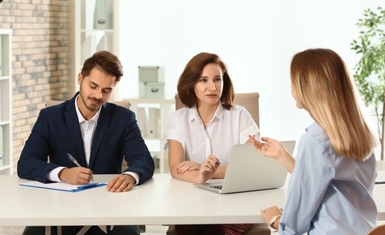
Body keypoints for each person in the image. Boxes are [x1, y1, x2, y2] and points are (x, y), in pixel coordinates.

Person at [17, 50, 155, 235]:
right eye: (93, 86)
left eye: (106, 90)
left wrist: (130, 176)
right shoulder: (51, 117)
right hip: (60, 208)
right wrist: (63, 173)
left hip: (109, 208)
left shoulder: (124, 119)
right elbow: (26, 163)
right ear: (80, 78)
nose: (98, 95)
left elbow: (144, 160)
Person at [249, 48, 378, 234]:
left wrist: (276, 220)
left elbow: (294, 228)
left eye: (293, 82)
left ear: (309, 88)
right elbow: (332, 189)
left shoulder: (314, 142)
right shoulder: (361, 136)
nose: (291, 88)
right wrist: (283, 156)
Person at [166, 52, 267, 235]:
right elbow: (175, 167)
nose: (212, 87)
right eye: (203, 80)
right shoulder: (177, 119)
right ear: (192, 84)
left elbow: (251, 167)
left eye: (217, 79)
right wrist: (199, 177)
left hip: (235, 202)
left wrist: (203, 169)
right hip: (192, 202)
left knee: (217, 232)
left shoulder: (240, 115)